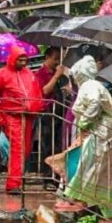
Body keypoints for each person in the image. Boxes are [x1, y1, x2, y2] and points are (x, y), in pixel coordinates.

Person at [62, 57, 112, 222]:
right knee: (103, 168)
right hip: (104, 130)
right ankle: (91, 201)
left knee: (93, 164)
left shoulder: (89, 86)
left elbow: (94, 103)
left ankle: (85, 200)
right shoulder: (92, 85)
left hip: (104, 131)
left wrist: (84, 123)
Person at [0, 45, 45, 194]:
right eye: (20, 60)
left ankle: (17, 179)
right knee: (17, 148)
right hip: (11, 115)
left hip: (28, 115)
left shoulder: (29, 74)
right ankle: (13, 183)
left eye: (25, 60)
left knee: (25, 149)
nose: (23, 62)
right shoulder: (1, 74)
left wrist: (38, 106)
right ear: (13, 59)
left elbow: (36, 92)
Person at [33, 47, 71, 179]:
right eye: (55, 59)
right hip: (47, 114)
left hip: (61, 112)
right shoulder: (40, 74)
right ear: (47, 57)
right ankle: (47, 175)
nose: (57, 62)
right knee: (47, 146)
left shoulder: (61, 76)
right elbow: (44, 91)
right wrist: (55, 77)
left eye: (59, 59)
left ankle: (58, 175)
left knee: (60, 145)